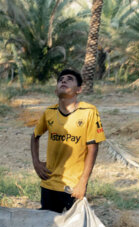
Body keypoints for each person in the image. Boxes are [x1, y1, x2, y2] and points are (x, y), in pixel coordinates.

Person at [30, 69, 106, 213]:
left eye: (69, 79)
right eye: (60, 80)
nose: (63, 81)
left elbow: (93, 148)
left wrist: (83, 182)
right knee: (49, 225)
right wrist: (36, 162)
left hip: (73, 184)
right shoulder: (49, 112)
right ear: (55, 90)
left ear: (79, 89)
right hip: (49, 182)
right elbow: (35, 136)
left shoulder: (89, 112)